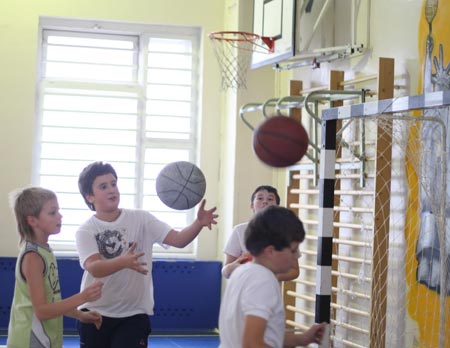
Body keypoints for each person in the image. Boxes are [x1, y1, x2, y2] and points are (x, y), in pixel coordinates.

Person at [75, 161, 218, 348]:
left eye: (114, 183)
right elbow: (95, 267)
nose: (112, 189)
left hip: (134, 314)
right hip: (95, 313)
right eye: (103, 186)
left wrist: (198, 223)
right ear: (89, 196)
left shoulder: (141, 219)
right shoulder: (86, 230)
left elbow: (179, 240)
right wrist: (123, 261)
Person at [7, 187, 103, 348]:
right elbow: (42, 311)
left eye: (58, 211)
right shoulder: (33, 257)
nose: (60, 216)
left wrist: (79, 315)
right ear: (32, 221)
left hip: (45, 338)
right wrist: (83, 297)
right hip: (30, 340)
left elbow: (51, 300)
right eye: (52, 212)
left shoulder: (44, 251)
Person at [218, 205, 327, 347]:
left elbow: (264, 337)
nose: (298, 255)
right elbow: (252, 344)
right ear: (270, 251)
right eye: (293, 250)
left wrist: (303, 339)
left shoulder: (242, 272)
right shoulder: (263, 280)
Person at [221, 185, 299, 281]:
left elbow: (295, 270)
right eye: (260, 198)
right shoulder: (239, 231)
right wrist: (234, 267)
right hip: (244, 292)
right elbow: (225, 271)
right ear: (252, 206)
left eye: (270, 199)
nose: (265, 202)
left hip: (270, 293)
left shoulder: (284, 233)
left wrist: (272, 276)